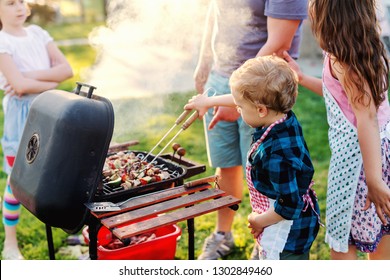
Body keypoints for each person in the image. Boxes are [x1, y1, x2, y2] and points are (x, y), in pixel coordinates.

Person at [193, 0, 308, 260]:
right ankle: (223, 234)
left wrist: (241, 98)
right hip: (221, 76)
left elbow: (279, 45)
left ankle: (265, 242)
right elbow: (216, 10)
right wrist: (205, 61)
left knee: (264, 173)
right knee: (226, 164)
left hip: (263, 88)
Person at [283, 0, 390, 260]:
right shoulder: (366, 48)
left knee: (342, 242)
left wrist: (374, 179)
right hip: (383, 150)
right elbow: (342, 97)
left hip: (358, 162)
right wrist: (303, 78)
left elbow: (366, 118)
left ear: (328, 19)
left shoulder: (344, 61)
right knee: (382, 228)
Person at [185, 55, 321, 260]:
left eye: (240, 108)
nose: (237, 108)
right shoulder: (281, 116)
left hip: (286, 236)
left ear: (260, 110)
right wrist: (209, 100)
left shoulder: (277, 154)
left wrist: (258, 221)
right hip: (277, 223)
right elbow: (243, 97)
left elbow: (290, 205)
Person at [0, 0, 73, 260]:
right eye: (10, 3)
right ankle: (10, 244)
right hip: (21, 118)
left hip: (51, 110)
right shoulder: (2, 42)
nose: (19, 7)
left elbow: (67, 70)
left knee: (59, 171)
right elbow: (18, 87)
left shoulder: (39, 34)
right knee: (16, 181)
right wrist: (51, 80)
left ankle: (72, 225)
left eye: (21, 1)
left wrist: (29, 76)